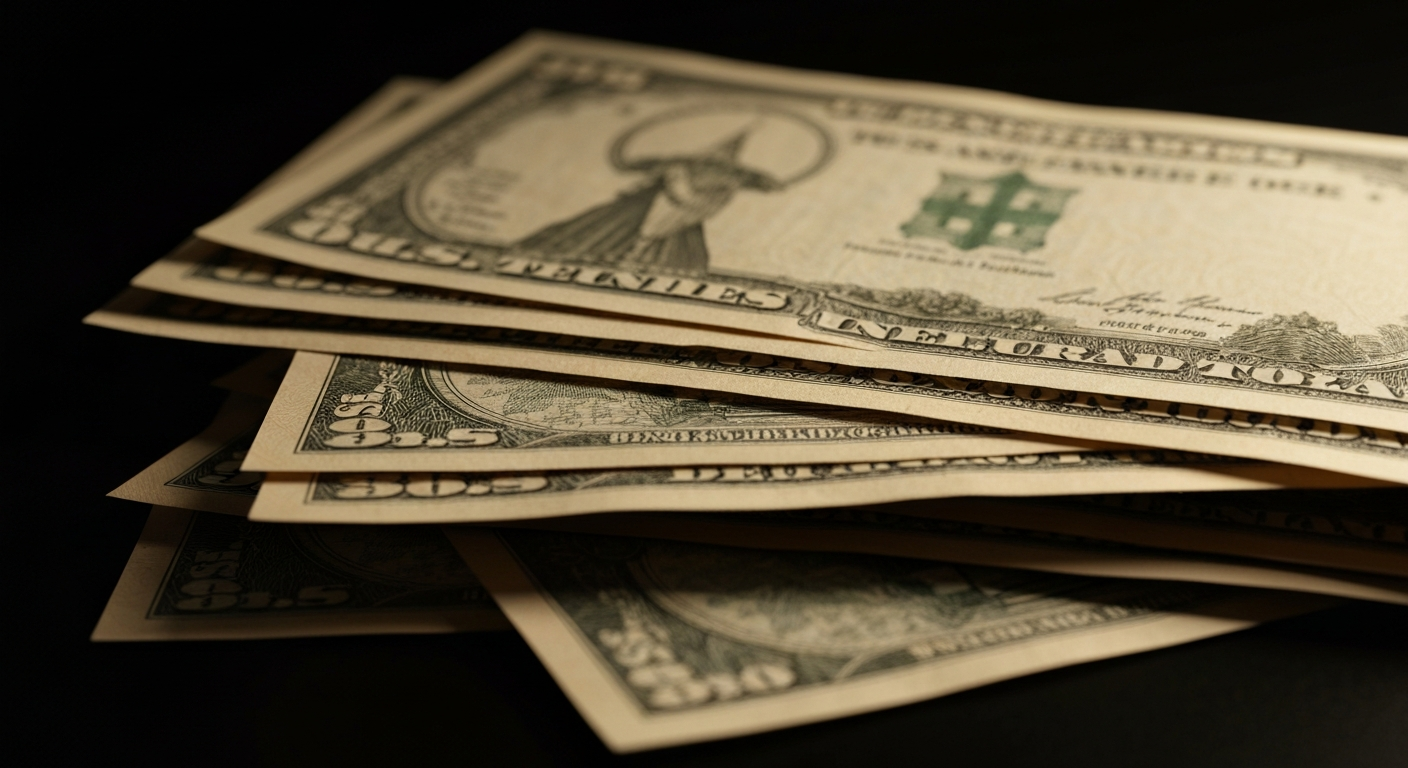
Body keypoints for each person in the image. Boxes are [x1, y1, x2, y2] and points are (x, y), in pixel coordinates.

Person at [513, 129, 781, 276]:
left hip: (677, 221)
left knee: (674, 261)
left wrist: (676, 181)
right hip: (632, 212)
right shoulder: (680, 164)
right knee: (588, 239)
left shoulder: (726, 180)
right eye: (707, 161)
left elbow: (771, 186)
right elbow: (629, 164)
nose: (709, 165)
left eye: (716, 164)